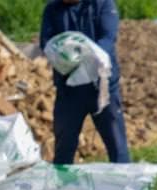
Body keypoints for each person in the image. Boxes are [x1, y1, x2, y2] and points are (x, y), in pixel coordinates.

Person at [40, 0, 129, 165]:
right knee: (64, 149)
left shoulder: (103, 4)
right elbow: (46, 43)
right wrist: (65, 57)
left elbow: (108, 38)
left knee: (117, 145)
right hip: (69, 91)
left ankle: (126, 186)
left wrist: (85, 55)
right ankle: (62, 187)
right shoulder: (52, 9)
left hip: (102, 89)